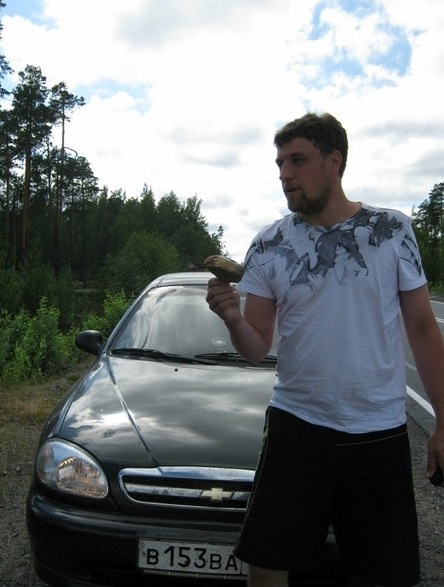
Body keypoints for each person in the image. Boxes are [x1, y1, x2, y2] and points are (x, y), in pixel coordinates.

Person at [206, 113, 444, 587]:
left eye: (297, 160)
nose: (284, 174)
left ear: (333, 161)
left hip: (377, 432)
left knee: (384, 575)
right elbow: (255, 347)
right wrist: (232, 317)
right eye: (279, 164)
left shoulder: (391, 230)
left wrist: (443, 420)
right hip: (296, 428)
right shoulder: (269, 243)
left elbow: (421, 327)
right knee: (266, 566)